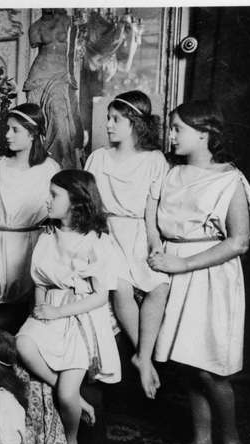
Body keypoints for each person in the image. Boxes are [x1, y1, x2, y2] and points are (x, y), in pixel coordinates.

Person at [148, 101, 250, 444]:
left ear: (205, 133)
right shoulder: (171, 174)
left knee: (210, 367)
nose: (171, 135)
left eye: (178, 128)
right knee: (186, 363)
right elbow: (154, 220)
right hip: (174, 273)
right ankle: (202, 441)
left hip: (209, 277)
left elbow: (238, 241)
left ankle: (232, 440)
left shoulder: (229, 179)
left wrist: (184, 263)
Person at [16, 170, 120, 444]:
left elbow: (100, 297)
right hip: (50, 308)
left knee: (65, 395)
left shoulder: (97, 241)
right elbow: (39, 281)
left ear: (76, 202)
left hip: (80, 316)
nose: (47, 200)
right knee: (22, 343)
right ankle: (75, 396)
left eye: (54, 195)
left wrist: (60, 314)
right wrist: (39, 311)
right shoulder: (47, 236)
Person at [85, 90, 170, 399]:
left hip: (137, 232)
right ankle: (143, 358)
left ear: (134, 122)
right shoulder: (98, 157)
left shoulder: (154, 160)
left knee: (159, 286)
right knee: (120, 286)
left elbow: (150, 214)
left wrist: (154, 245)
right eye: (108, 118)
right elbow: (91, 207)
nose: (108, 124)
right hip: (106, 233)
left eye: (115, 119)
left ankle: (143, 356)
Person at [0, 103, 61, 307]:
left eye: (15, 130)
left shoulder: (50, 170)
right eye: (7, 128)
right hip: (0, 250)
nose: (8, 135)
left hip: (35, 249)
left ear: (33, 133)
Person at [24, 8, 84, 169]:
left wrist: (71, 75)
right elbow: (34, 43)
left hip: (60, 75)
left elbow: (74, 51)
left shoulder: (69, 20)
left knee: (59, 117)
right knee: (35, 120)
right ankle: (39, 165)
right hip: (39, 75)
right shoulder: (35, 27)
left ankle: (63, 166)